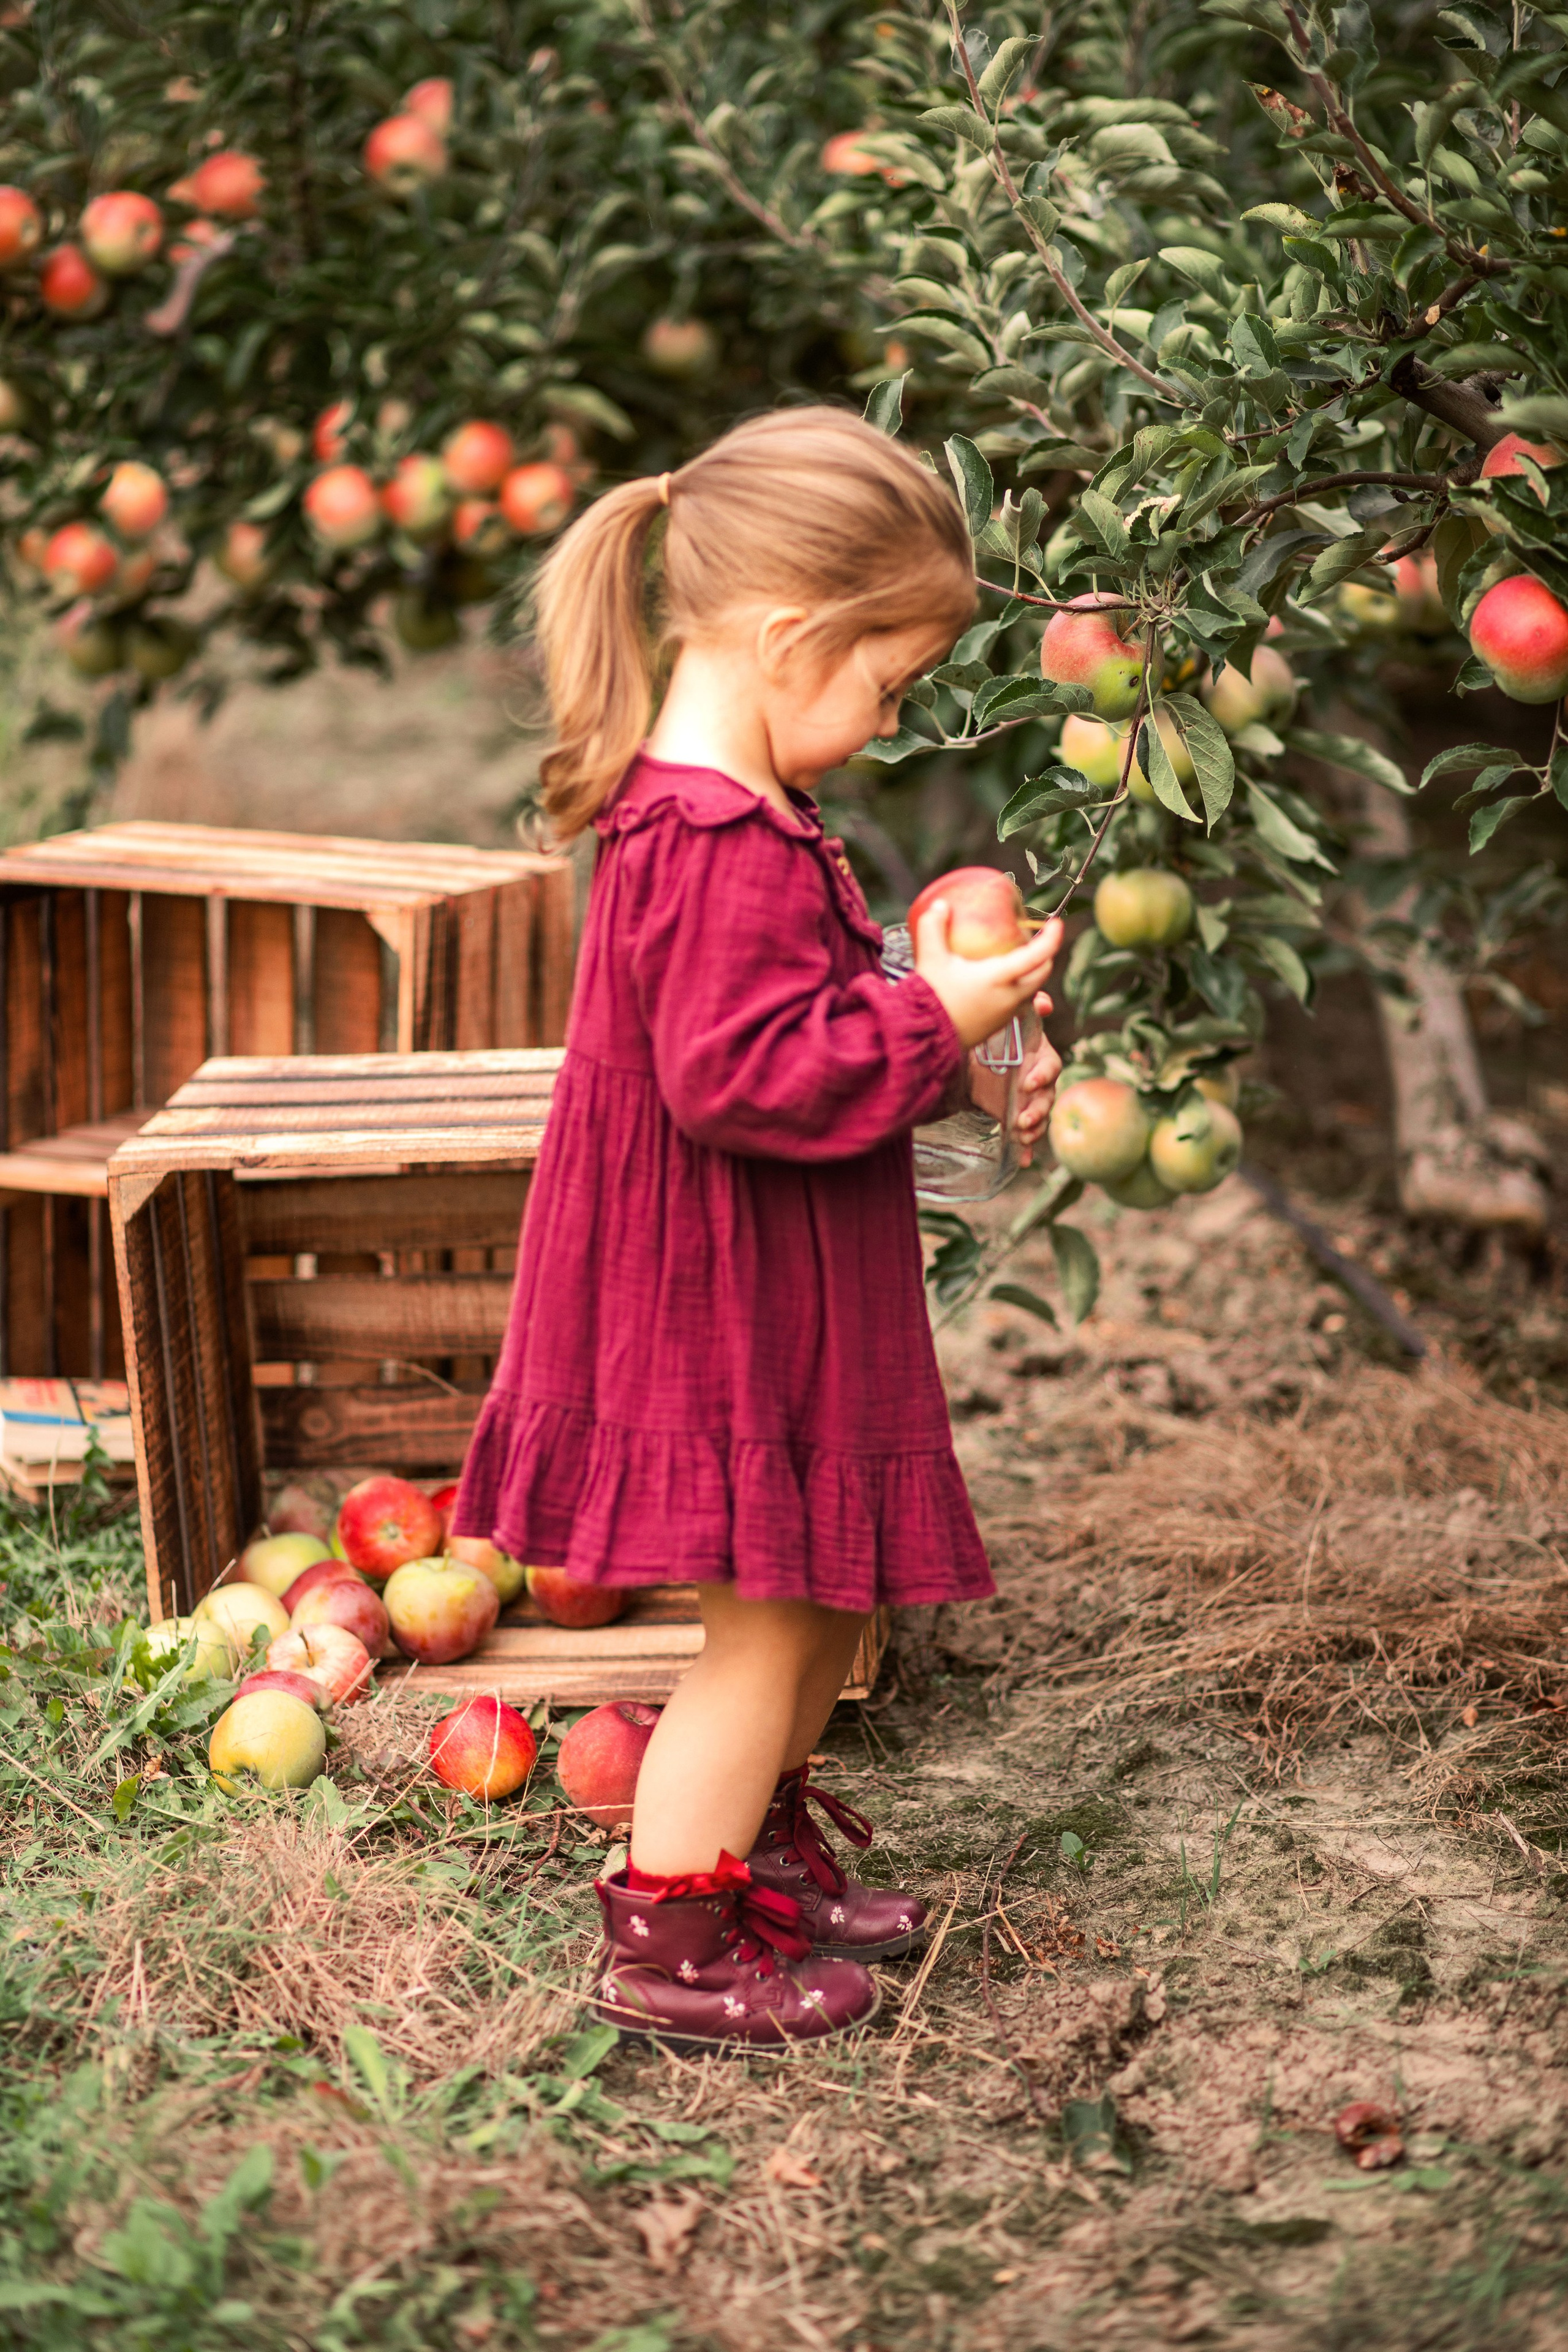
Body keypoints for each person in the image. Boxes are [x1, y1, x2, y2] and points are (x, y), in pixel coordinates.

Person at [452, 407, 1062, 2052]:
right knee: (764, 1626)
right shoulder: (712, 838)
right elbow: (744, 1079)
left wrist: (942, 1022)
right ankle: (676, 1942)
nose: (888, 720)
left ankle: (758, 1860)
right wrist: (924, 1015)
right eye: (890, 682)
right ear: (797, 636)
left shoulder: (735, 813)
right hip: (717, 1303)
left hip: (758, 1278)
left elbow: (785, 1030)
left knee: (816, 1601)